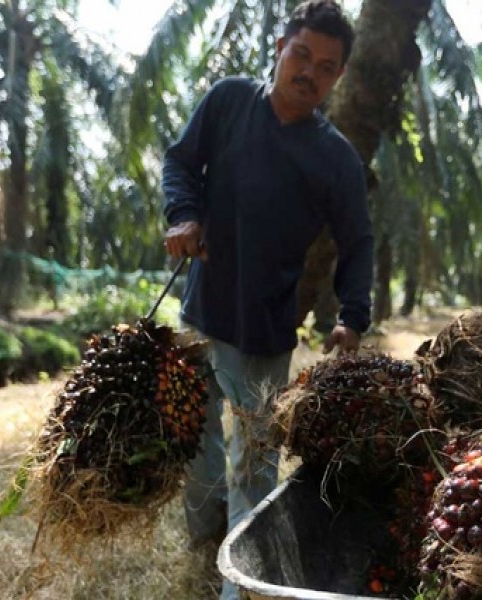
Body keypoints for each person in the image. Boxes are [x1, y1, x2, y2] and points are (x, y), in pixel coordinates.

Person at [161, 1, 373, 597]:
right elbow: (180, 163)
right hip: (200, 314)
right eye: (301, 54)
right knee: (195, 452)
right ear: (280, 46)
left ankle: (240, 585)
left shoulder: (336, 159)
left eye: (326, 67)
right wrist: (183, 215)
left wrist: (353, 316)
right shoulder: (228, 101)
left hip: (266, 331)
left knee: (252, 474)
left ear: (338, 77)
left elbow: (358, 241)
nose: (309, 72)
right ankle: (207, 545)